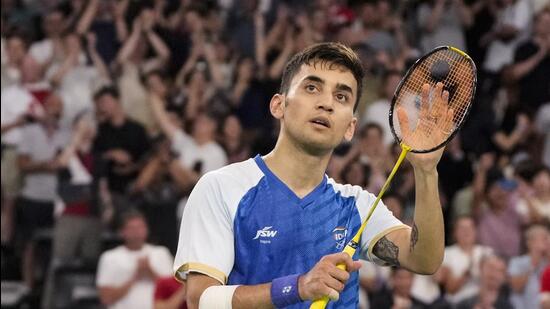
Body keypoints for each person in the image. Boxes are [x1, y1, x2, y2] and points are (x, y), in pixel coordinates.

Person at [174, 42, 448, 308]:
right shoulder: (222, 188)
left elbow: (424, 259)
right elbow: (201, 300)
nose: (326, 103)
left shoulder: (356, 206)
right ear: (278, 105)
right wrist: (298, 287)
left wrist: (426, 172)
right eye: (312, 87)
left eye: (341, 97)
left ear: (350, 128)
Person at [96, 210, 173, 309]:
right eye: (131, 228)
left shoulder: (161, 253)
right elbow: (106, 298)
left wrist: (150, 272)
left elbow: (174, 292)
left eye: (140, 227)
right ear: (121, 232)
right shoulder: (109, 257)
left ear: (147, 229)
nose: (136, 232)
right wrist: (135, 277)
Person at [440, 216, 493, 305]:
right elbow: (450, 289)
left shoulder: (487, 252)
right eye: (462, 228)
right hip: (457, 303)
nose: (466, 231)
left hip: (482, 301)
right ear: (454, 232)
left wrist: (484, 270)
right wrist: (468, 272)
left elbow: (493, 284)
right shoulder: (447, 254)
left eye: (470, 227)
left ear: (475, 231)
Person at [508, 225, 550, 309]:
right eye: (543, 239)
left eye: (547, 239)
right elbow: (516, 287)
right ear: (529, 243)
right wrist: (533, 265)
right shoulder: (517, 261)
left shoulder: (547, 263)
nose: (546, 243)